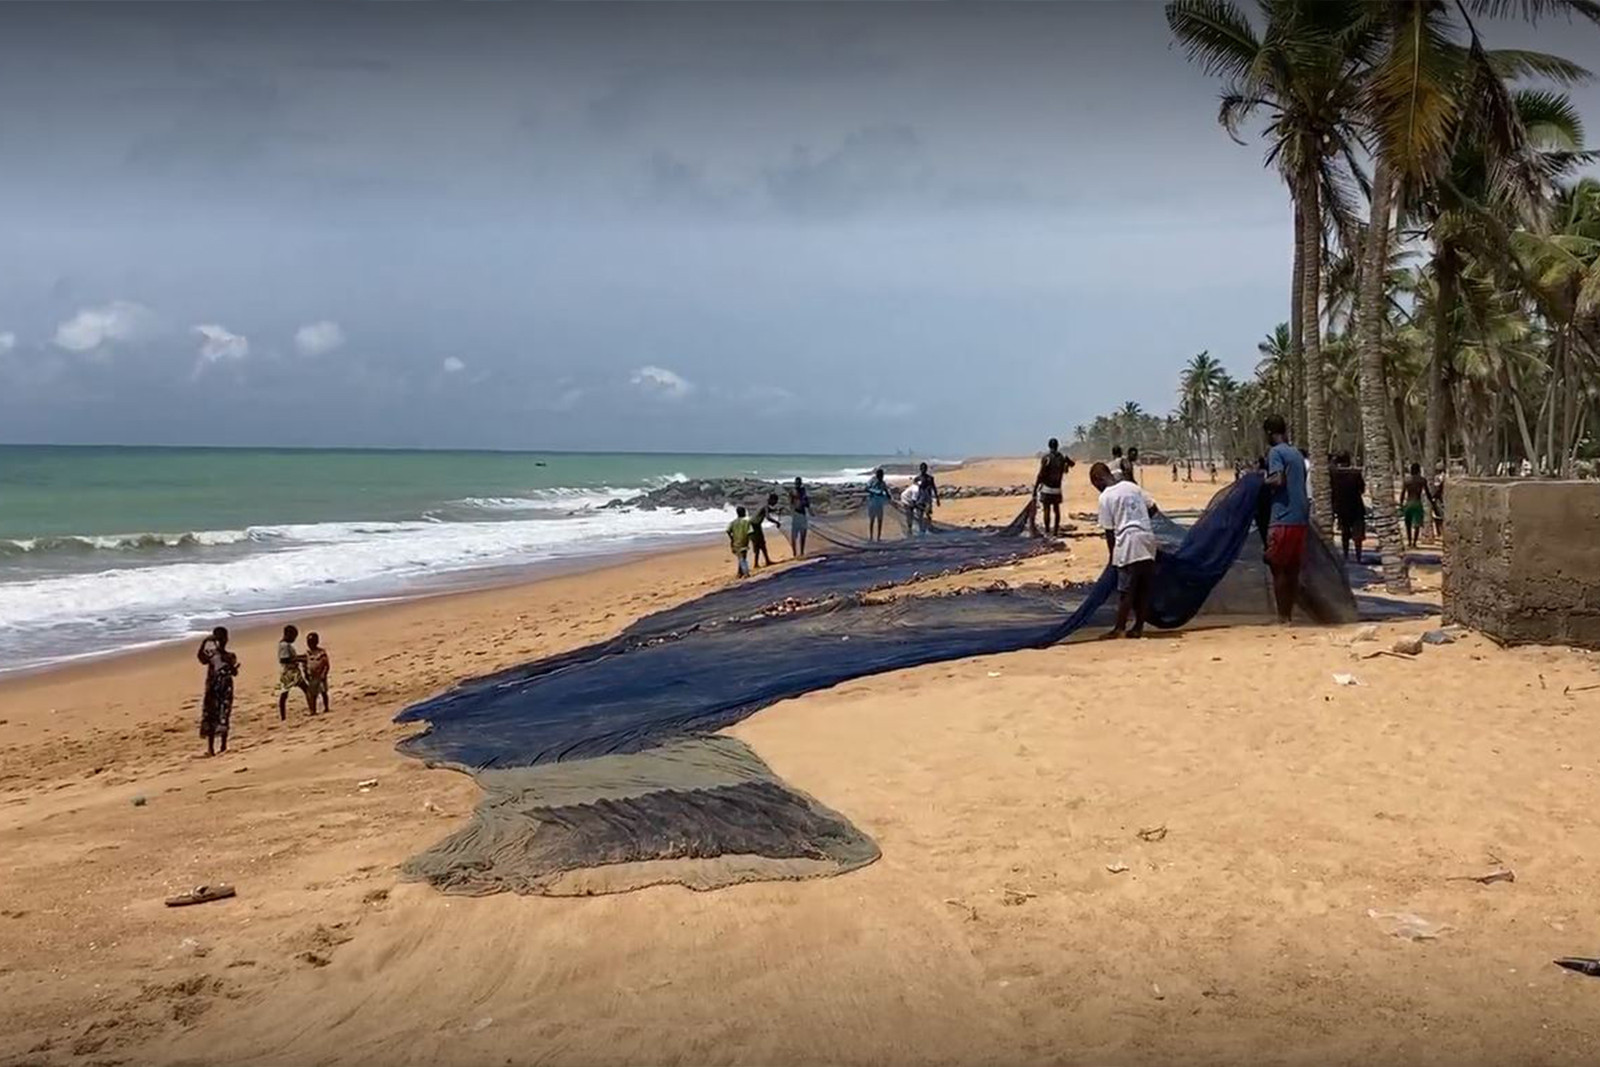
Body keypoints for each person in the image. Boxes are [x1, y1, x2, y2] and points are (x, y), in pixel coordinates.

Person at [1089, 461, 1161, 639]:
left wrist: (1113, 558)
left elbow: (1109, 532)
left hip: (1128, 543)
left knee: (1126, 590)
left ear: (1098, 479)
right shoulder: (1132, 486)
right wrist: (1139, 518)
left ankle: (1119, 628)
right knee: (1143, 588)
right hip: (1147, 538)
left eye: (1095, 485)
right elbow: (1153, 508)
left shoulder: (1105, 497)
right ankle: (1138, 628)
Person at [1263, 415, 1309, 624]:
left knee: (1278, 567)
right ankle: (1288, 615)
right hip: (1300, 518)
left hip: (1282, 517)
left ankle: (1283, 618)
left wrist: (1259, 481)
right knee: (1291, 569)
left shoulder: (1276, 452)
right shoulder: (1296, 454)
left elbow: (1278, 479)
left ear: (1270, 433)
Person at [197, 626, 238, 757]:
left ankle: (220, 746)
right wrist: (204, 642)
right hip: (216, 688)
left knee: (222, 715)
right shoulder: (215, 655)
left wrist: (232, 667)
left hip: (222, 688)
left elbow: (234, 672)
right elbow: (201, 658)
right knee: (215, 715)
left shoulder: (228, 656)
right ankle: (214, 747)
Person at [1330, 451, 1367, 562]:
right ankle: (1358, 556)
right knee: (1358, 535)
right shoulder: (1355, 473)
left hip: (1342, 507)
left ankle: (1346, 555)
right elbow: (1362, 489)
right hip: (1356, 506)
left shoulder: (1334, 475)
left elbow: (1332, 491)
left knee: (1345, 533)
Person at [1033, 438, 1074, 537]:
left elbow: (1041, 475)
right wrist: (1067, 461)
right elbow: (1072, 464)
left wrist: (1035, 489)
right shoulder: (1062, 457)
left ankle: (1047, 531)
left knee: (1046, 510)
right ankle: (1055, 531)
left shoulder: (1046, 458)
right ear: (1057, 446)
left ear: (1049, 446)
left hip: (1047, 488)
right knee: (1056, 510)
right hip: (1057, 489)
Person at [276, 624, 307, 721]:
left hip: (292, 671)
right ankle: (283, 716)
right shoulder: (284, 646)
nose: (294, 639)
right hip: (289, 672)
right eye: (294, 637)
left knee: (286, 693)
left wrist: (301, 657)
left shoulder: (286, 645)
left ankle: (283, 716)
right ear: (288, 634)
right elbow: (284, 659)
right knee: (304, 689)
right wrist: (299, 659)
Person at [1402, 462, 1430, 547]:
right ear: (1419, 470)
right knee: (1417, 524)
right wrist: (1432, 502)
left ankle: (1409, 542)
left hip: (1409, 503)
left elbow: (1402, 493)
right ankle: (1414, 543)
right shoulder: (1422, 480)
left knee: (1408, 524)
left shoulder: (1407, 480)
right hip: (1417, 503)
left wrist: (1400, 503)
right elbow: (1428, 493)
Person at [303, 632, 331, 715]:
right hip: (312, 676)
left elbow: (326, 665)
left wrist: (324, 674)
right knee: (313, 694)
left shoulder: (321, 652)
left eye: (312, 642)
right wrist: (305, 673)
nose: (310, 644)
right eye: (309, 642)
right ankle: (313, 710)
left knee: (323, 692)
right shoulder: (307, 653)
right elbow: (304, 664)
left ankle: (326, 707)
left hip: (321, 676)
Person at [750, 493, 781, 567]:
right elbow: (768, 517)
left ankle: (766, 561)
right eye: (775, 501)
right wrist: (776, 522)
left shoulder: (764, 504)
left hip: (754, 526)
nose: (775, 503)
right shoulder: (765, 506)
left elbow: (768, 510)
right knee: (758, 545)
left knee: (762, 544)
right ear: (771, 499)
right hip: (754, 526)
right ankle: (756, 564)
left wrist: (776, 510)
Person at [864, 468, 892, 542]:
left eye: (882, 475)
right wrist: (876, 491)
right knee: (872, 520)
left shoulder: (883, 482)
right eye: (880, 475)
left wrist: (889, 496)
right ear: (877, 475)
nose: (881, 477)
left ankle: (878, 537)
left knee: (880, 520)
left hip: (879, 504)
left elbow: (886, 490)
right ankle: (871, 537)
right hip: (872, 503)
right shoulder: (872, 481)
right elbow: (866, 488)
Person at [726, 505, 753, 578]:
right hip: (744, 541)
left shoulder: (733, 522)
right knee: (742, 558)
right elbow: (750, 532)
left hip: (736, 541)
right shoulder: (746, 522)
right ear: (744, 513)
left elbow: (728, 530)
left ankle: (742, 573)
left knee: (741, 557)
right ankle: (744, 572)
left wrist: (731, 538)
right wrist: (750, 540)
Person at [788, 477, 812, 559]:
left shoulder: (803, 491)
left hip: (803, 514)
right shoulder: (792, 491)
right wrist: (792, 512)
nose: (797, 484)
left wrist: (810, 511)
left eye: (799, 483)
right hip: (796, 515)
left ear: (800, 483)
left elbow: (807, 502)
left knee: (803, 534)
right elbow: (790, 503)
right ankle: (794, 553)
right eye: (796, 483)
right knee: (794, 535)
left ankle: (802, 552)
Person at [914, 462, 940, 532]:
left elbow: (934, 488)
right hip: (920, 498)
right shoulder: (917, 479)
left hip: (928, 498)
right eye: (922, 468)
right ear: (920, 469)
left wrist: (937, 499)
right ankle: (921, 529)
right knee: (920, 514)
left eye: (925, 468)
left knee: (928, 513)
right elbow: (913, 490)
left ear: (926, 469)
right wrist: (913, 500)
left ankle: (929, 527)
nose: (923, 470)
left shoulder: (930, 478)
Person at [1429, 464, 1446, 540]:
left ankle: (1440, 533)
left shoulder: (1438, 477)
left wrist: (1433, 497)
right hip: (1444, 498)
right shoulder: (1445, 476)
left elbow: (1437, 488)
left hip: (1439, 499)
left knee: (1437, 516)